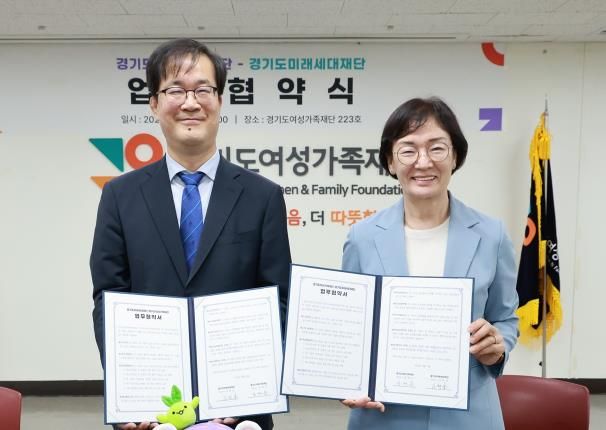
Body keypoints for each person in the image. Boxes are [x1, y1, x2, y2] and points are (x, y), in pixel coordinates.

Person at [91, 38, 291, 430]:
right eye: (175, 91)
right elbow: (108, 298)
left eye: (203, 90)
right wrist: (126, 395)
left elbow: (278, 300)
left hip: (238, 410)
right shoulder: (120, 195)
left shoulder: (263, 196)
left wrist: (251, 393)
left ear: (220, 100)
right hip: (149, 410)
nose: (190, 102)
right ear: (153, 103)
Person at [340, 97, 518, 430]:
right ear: (390, 162)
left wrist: (497, 345)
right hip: (383, 414)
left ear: (455, 156)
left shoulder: (491, 235)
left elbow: (506, 318)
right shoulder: (362, 237)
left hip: (467, 414)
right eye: (408, 150)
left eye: (437, 148)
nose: (423, 162)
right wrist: (343, 380)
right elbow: (348, 327)